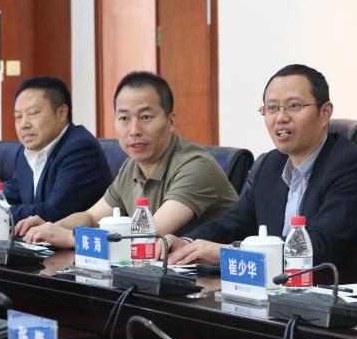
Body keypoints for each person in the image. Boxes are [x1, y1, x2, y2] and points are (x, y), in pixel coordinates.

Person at [167, 64, 357, 280]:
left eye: (294, 106)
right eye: (272, 108)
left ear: (324, 113)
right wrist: (187, 243)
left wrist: (229, 252)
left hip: (333, 293)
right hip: (274, 289)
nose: (281, 117)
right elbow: (233, 223)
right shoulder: (269, 163)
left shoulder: (351, 166)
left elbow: (321, 246)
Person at [19, 72, 237, 246]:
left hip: (213, 282)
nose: (134, 130)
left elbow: (144, 237)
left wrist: (69, 238)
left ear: (171, 121)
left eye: (146, 117)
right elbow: (91, 218)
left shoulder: (196, 166)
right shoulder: (131, 166)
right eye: (124, 118)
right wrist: (51, 229)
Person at [0, 77, 111, 224]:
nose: (24, 124)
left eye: (33, 113)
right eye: (18, 117)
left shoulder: (80, 149)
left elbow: (53, 214)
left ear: (61, 113)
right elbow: (13, 194)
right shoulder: (25, 153)